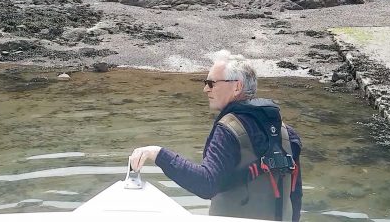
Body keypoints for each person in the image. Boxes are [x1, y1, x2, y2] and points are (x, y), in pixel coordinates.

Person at [130, 50, 303, 221]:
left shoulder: (229, 130)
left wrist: (158, 154)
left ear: (237, 87)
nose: (206, 89)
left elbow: (206, 184)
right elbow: (295, 195)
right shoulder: (286, 133)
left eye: (211, 83)